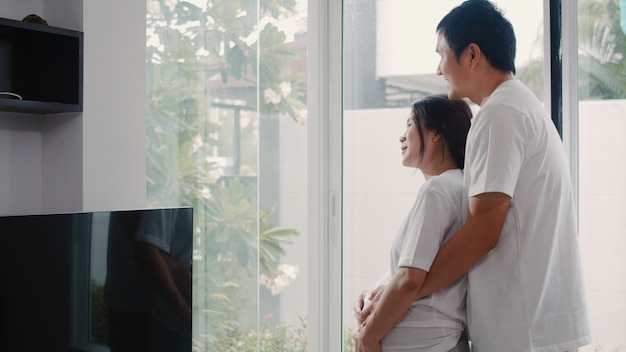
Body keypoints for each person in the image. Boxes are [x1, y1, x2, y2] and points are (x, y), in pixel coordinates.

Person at [356, 1, 592, 351]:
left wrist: (400, 296)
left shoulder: (501, 114)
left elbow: (482, 234)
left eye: (442, 54)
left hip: (523, 331)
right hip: (529, 325)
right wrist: (392, 286)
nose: (439, 69)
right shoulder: (517, 107)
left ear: (472, 54)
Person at [353, 94, 472, 352]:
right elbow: (419, 272)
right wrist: (377, 293)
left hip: (429, 344)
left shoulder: (438, 190)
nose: (402, 136)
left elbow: (410, 280)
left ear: (436, 132)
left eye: (410, 124)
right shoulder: (457, 186)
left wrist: (369, 338)